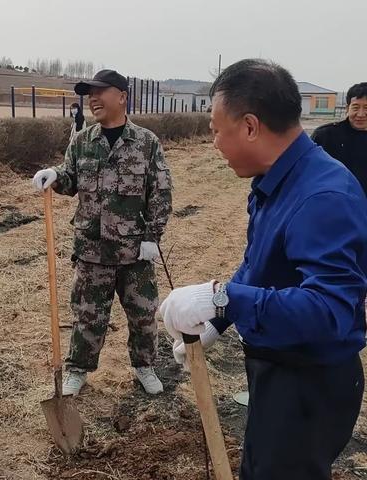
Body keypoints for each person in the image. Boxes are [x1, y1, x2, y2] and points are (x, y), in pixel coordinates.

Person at [159, 59, 366, 480]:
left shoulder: (322, 196)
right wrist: (221, 317)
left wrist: (222, 295)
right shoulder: (278, 180)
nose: (214, 142)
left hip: (308, 383)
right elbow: (260, 264)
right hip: (279, 370)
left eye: (217, 130)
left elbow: (330, 311)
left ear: (250, 126)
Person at [33, 69, 172, 396]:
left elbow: (161, 193)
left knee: (143, 315)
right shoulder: (82, 141)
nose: (93, 99)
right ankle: (78, 370)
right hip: (92, 251)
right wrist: (54, 175)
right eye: (89, 93)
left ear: (122, 96)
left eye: (101, 92)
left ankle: (144, 366)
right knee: (88, 316)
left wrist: (152, 237)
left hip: (134, 252)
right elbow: (70, 179)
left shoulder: (146, 143)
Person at [311, 82, 367, 194]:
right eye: (355, 107)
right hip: (333, 203)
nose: (360, 114)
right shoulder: (325, 135)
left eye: (366, 108)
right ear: (347, 108)